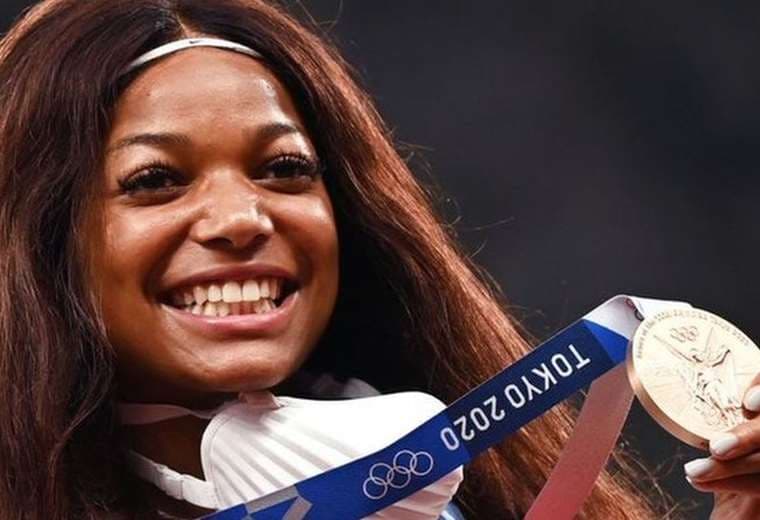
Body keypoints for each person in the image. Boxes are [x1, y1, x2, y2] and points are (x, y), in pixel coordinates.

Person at [1, 0, 759, 518]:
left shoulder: (470, 485)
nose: (242, 219)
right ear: (42, 236)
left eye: (285, 169)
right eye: (154, 180)